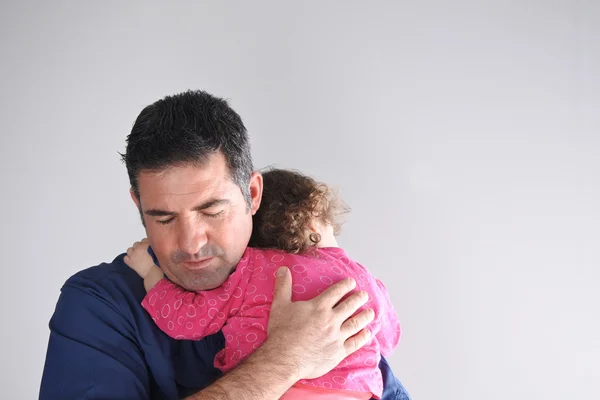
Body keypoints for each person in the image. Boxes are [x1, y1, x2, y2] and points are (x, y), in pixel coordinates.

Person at [39, 90, 412, 399]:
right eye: (164, 218)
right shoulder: (99, 305)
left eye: (211, 211)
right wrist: (287, 357)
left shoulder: (313, 297)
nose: (191, 243)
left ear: (251, 194)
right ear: (138, 205)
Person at [124, 168, 401, 399]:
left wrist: (150, 271)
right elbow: (389, 338)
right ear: (315, 224)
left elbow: (186, 319)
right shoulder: (357, 275)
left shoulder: (249, 270)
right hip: (355, 393)